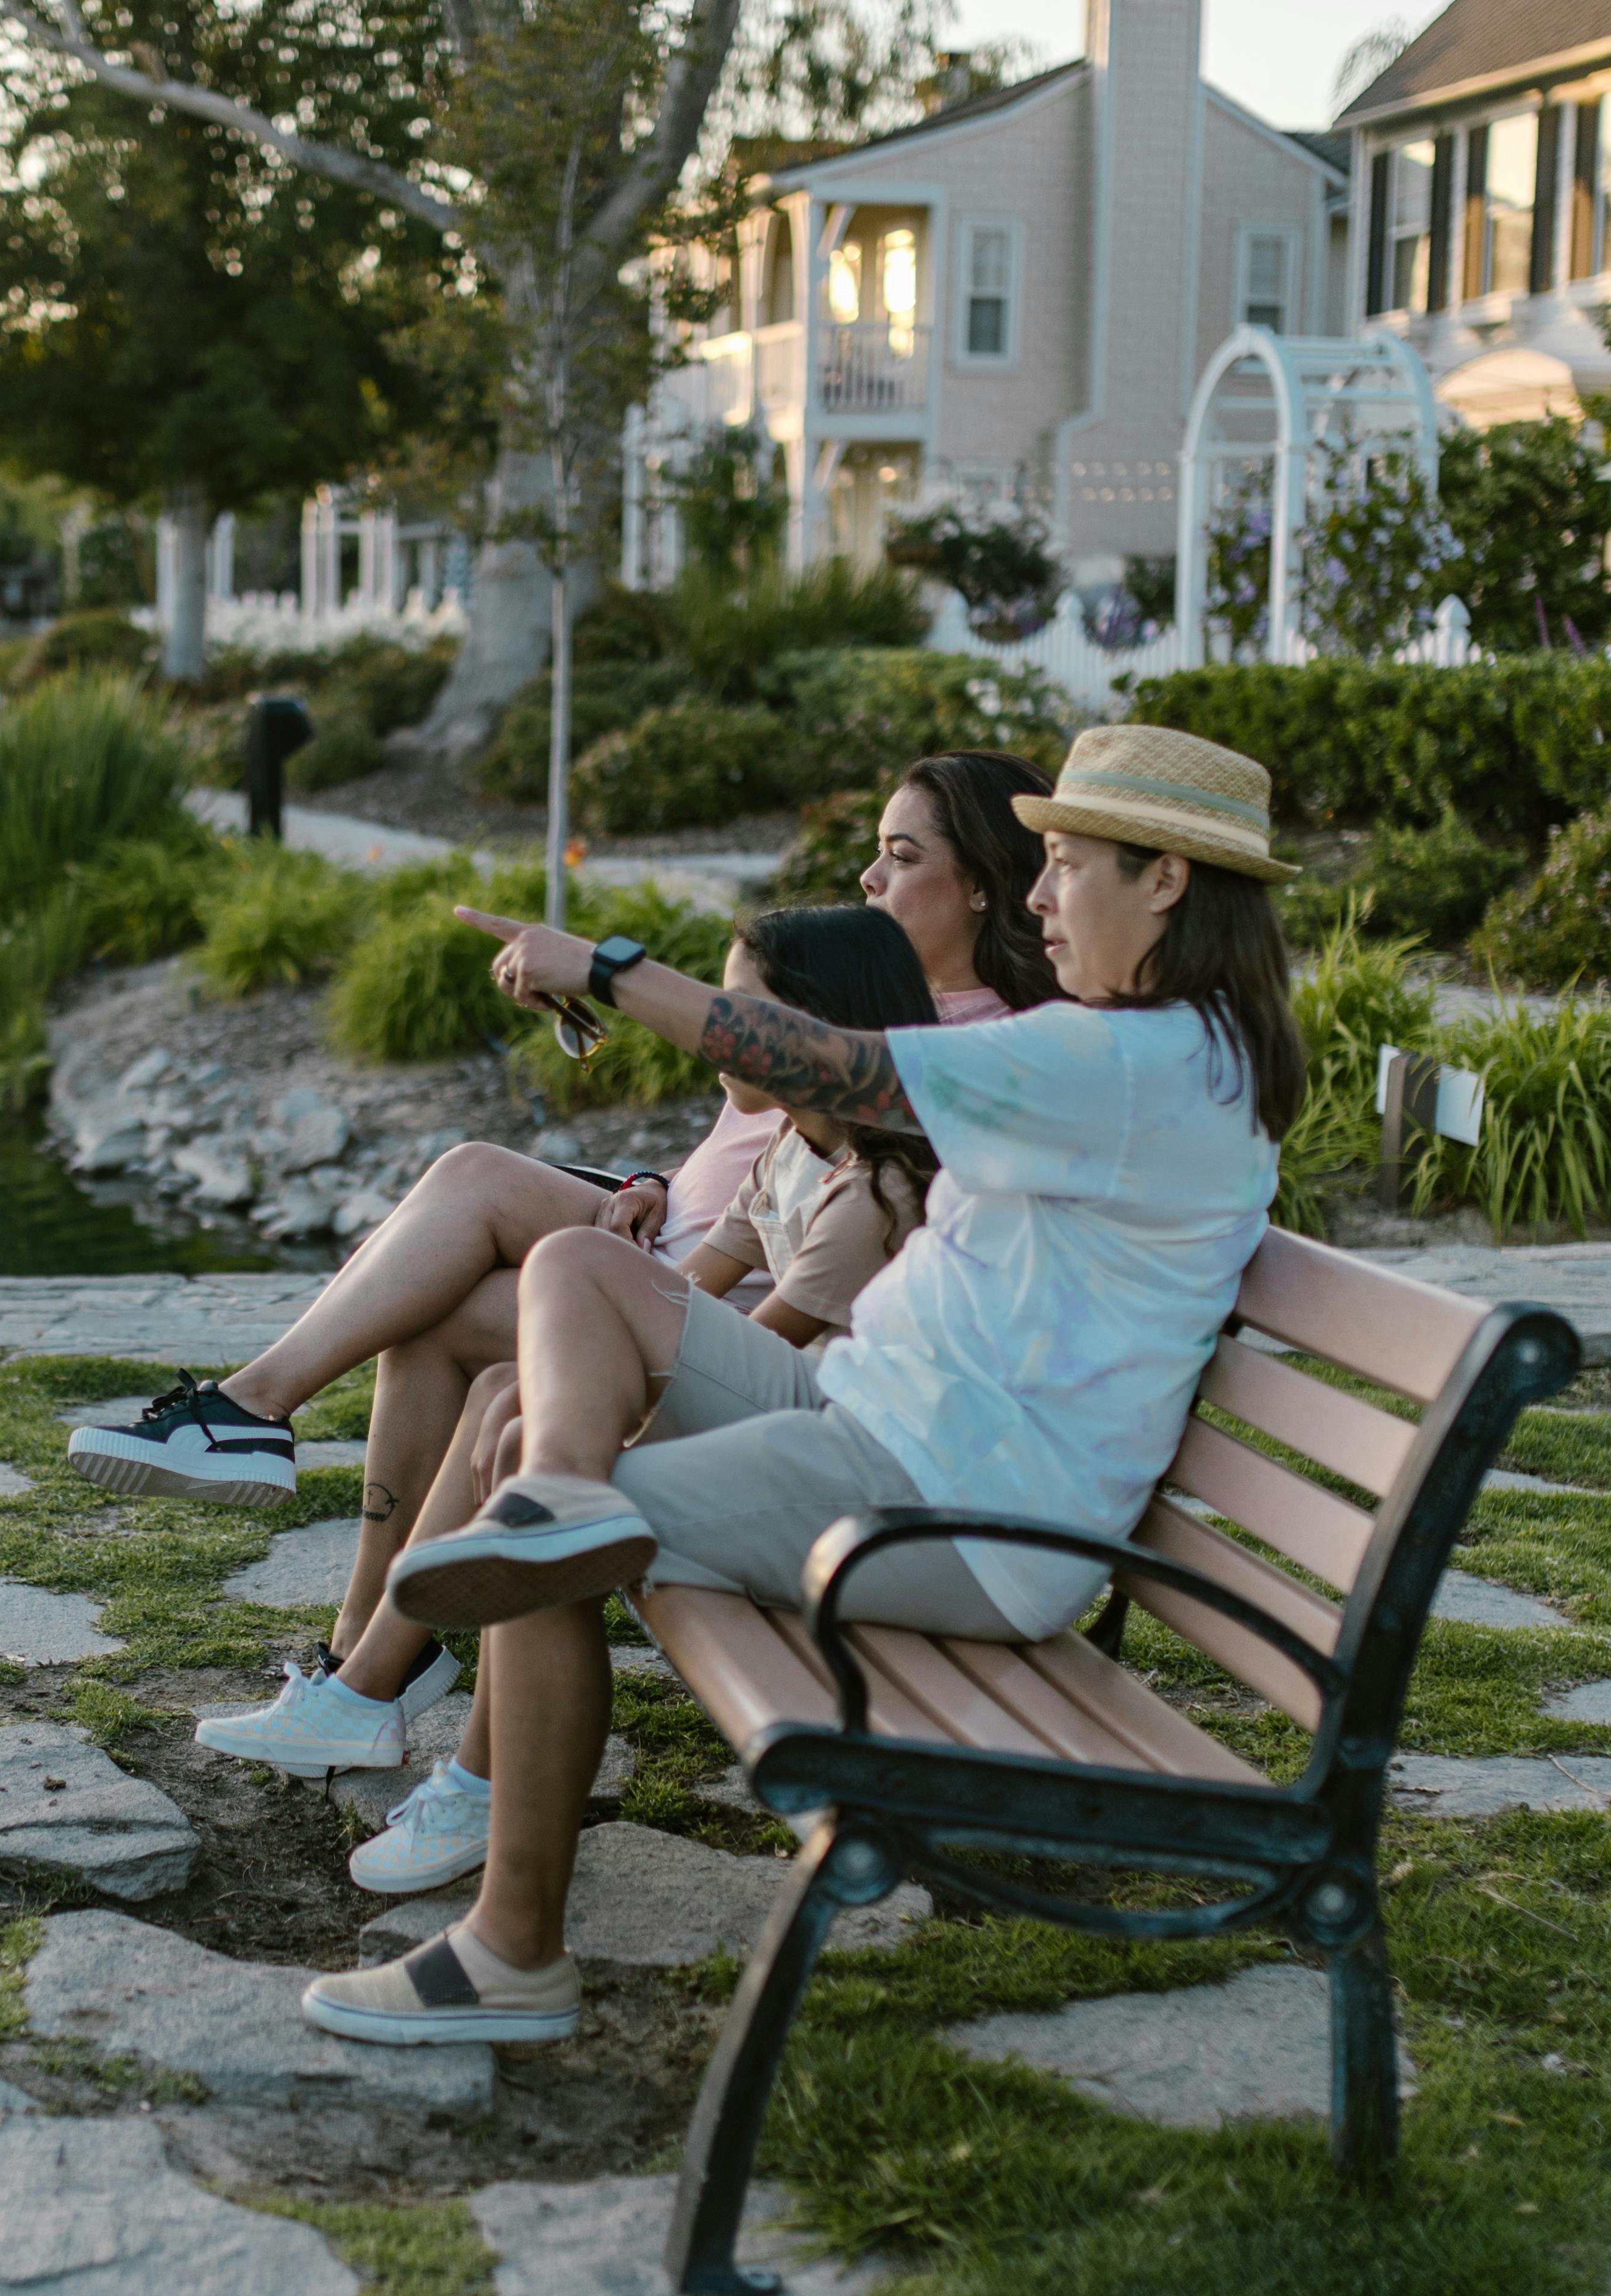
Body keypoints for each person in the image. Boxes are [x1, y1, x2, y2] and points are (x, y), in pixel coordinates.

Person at [294, 724, 1306, 2047]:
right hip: (871, 1424)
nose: (1043, 895)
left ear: (1166, 880)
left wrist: (601, 966)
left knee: (526, 1544)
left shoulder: (1133, 1065)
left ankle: (511, 1951)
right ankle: (562, 1491)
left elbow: (833, 1067)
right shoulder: (1152, 1048)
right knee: (578, 1277)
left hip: (954, 1509)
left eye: (1067, 865)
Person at [72, 755, 1054, 1787]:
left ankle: (350, 1644)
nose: (868, 878)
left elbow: (838, 1222)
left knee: (448, 1314)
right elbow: (749, 1165)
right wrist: (646, 1180)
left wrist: (602, 969)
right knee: (470, 1182)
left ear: (983, 885)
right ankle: (327, 1589)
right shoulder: (869, 979)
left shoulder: (956, 1045)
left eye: (900, 859)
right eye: (874, 852)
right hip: (679, 1248)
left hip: (722, 1313)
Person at [204, 906, 945, 1898]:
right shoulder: (790, 1151)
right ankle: (379, 1701)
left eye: (741, 1009)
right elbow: (697, 1284)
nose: (718, 1023)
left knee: (538, 1442)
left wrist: (590, 1373)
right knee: (520, 1395)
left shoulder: (871, 1196)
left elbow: (751, 1359)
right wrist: (616, 1258)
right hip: (766, 1419)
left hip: (811, 1464)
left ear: (816, 1029)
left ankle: (435, 1747)